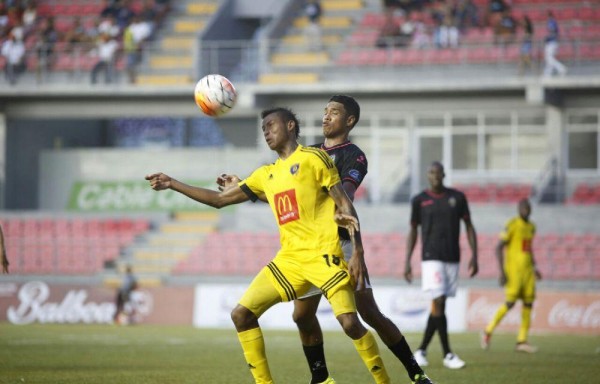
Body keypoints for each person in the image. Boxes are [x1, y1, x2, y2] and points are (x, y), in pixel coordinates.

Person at [147, 107, 393, 384]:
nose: (266, 132)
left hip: (324, 256)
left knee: (350, 323)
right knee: (241, 315)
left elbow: (344, 204)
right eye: (263, 129)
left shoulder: (315, 158)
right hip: (288, 261)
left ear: (290, 126)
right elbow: (219, 200)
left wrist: (357, 251)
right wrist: (172, 183)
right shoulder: (265, 174)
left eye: (271, 126)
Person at [218, 96, 433, 384]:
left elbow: (342, 196)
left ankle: (416, 374)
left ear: (350, 121)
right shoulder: (308, 152)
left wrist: (358, 251)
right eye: (325, 111)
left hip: (341, 243)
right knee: (302, 316)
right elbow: (288, 194)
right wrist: (245, 187)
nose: (326, 116)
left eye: (334, 112)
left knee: (367, 314)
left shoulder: (353, 155)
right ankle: (320, 377)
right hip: (307, 249)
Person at [404, 161, 478, 369]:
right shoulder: (419, 200)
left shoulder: (457, 198)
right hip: (431, 256)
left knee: (440, 305)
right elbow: (413, 231)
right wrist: (407, 261)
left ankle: (420, 350)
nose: (435, 175)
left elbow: (469, 227)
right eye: (431, 172)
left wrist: (475, 255)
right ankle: (448, 354)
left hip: (452, 257)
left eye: (438, 172)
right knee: (437, 300)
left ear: (444, 174)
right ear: (428, 175)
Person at [481, 198, 542, 353]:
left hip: (528, 273)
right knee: (510, 303)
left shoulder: (531, 227)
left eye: (528, 207)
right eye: (523, 207)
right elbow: (498, 247)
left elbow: (529, 249)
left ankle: (522, 340)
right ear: (518, 209)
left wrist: (535, 267)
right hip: (514, 272)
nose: (526, 209)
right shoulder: (512, 225)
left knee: (528, 304)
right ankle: (488, 331)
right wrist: (502, 271)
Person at [543, 10, 566, 77]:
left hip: (552, 42)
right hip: (553, 42)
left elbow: (552, 31)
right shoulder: (553, 22)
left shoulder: (551, 22)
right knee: (549, 58)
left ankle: (561, 68)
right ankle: (547, 73)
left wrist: (547, 38)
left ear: (548, 15)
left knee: (549, 58)